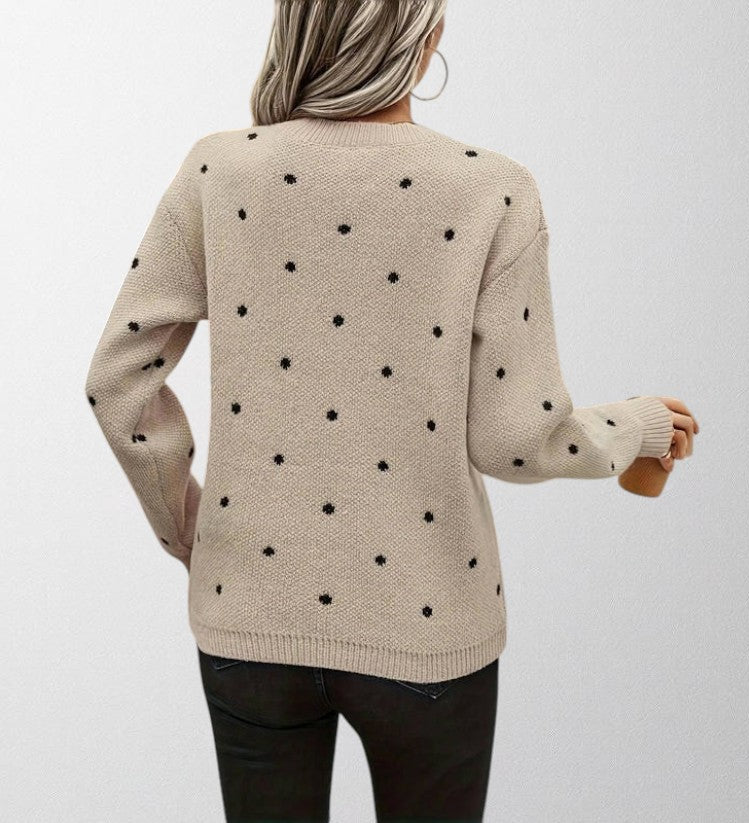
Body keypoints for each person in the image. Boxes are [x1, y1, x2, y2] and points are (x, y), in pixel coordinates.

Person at [84, 1, 699, 820]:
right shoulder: (489, 190)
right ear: (424, 37)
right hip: (429, 619)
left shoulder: (218, 171)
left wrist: (193, 531)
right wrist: (639, 425)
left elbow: (118, 379)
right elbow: (517, 439)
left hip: (247, 614)